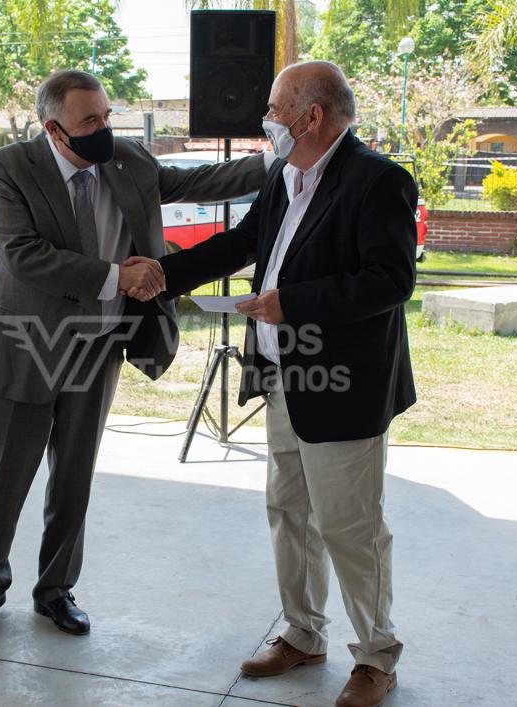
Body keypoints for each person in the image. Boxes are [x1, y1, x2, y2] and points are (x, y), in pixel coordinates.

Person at [0, 69, 271, 639]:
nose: (104, 129)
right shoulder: (9, 168)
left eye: (106, 115)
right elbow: (24, 256)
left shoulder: (127, 159)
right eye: (89, 121)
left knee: (74, 478)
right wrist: (116, 276)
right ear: (54, 128)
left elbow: (196, 183)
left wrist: (276, 162)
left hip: (99, 349)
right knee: (4, 480)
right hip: (28, 346)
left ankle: (56, 590)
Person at [150, 61, 418, 707]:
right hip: (280, 374)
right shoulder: (285, 175)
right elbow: (242, 243)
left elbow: (391, 281)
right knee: (289, 513)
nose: (265, 119)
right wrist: (161, 274)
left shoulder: (377, 180)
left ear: (311, 116)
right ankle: (303, 632)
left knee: (350, 525)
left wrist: (292, 301)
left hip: (343, 385)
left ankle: (377, 656)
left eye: (273, 107)